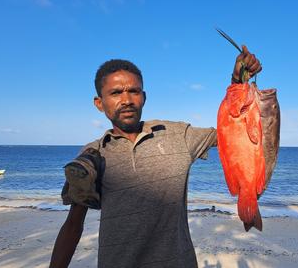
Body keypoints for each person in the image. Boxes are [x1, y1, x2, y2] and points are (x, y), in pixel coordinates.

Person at [50, 46, 261, 268]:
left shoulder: (178, 135)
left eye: (134, 91)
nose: (127, 100)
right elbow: (73, 225)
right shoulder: (93, 155)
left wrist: (239, 81)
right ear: (99, 103)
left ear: (144, 97)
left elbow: (236, 130)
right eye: (115, 93)